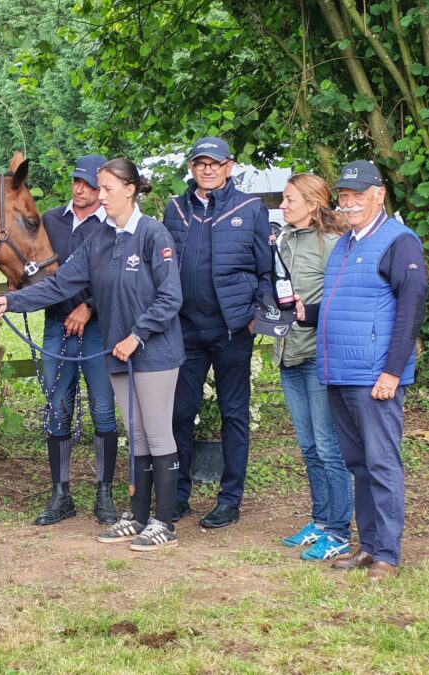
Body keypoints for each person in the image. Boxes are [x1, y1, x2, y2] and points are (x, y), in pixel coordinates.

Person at [0, 158, 185, 551]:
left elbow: (170, 297)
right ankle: (138, 517)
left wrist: (137, 336)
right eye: (99, 188)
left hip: (154, 353)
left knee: (157, 433)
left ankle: (164, 523)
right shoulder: (99, 239)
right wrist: (11, 301)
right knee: (137, 435)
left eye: (107, 189)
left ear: (130, 190)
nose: (100, 196)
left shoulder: (152, 233)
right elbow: (60, 284)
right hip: (117, 352)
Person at [295, 160, 427, 582]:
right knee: (359, 464)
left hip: (373, 377)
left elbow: (411, 308)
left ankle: (387, 554)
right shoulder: (346, 243)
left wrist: (392, 372)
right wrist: (309, 312)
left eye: (358, 195)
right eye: (344, 196)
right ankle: (368, 546)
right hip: (339, 372)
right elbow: (350, 301)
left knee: (382, 464)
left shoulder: (399, 242)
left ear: (379, 195)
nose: (349, 203)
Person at [162, 137, 272, 528]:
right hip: (186, 329)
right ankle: (177, 495)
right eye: (200, 163)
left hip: (232, 329)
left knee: (233, 413)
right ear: (191, 168)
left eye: (215, 163)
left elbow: (266, 270)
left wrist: (255, 316)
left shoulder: (250, 208)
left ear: (229, 166)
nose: (207, 170)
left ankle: (229, 499)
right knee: (179, 413)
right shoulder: (175, 208)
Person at [32, 155, 120, 527]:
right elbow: (35, 266)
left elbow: (120, 277)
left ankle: (105, 494)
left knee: (103, 407)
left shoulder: (112, 224)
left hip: (99, 327)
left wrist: (89, 307)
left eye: (88, 184)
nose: (79, 189)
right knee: (58, 407)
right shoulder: (50, 220)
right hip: (57, 325)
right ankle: (60, 494)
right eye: (76, 181)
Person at [273, 173, 353, 561]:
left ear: (312, 203)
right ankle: (320, 521)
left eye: (290, 199)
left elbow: (343, 300)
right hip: (287, 355)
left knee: (328, 448)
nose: (283, 206)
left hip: (318, 358)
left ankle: (339, 530)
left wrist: (313, 313)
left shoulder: (333, 243)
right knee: (308, 447)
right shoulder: (284, 240)